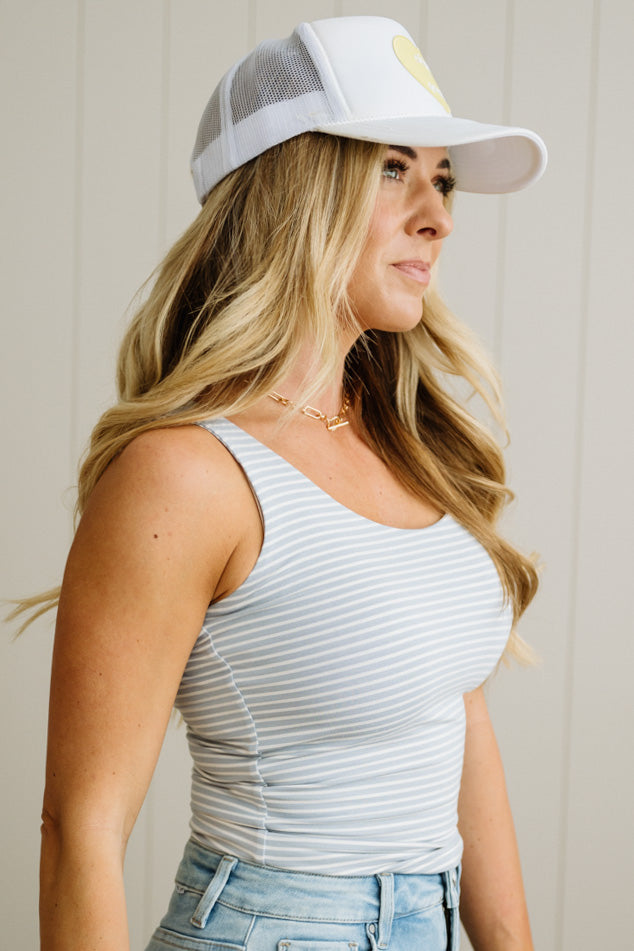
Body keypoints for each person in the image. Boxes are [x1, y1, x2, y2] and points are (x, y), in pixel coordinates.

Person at [22, 15, 546, 951]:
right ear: (293, 188)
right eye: (392, 168)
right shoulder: (185, 474)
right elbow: (81, 830)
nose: (439, 216)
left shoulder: (411, 441)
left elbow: (455, 713)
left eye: (442, 178)